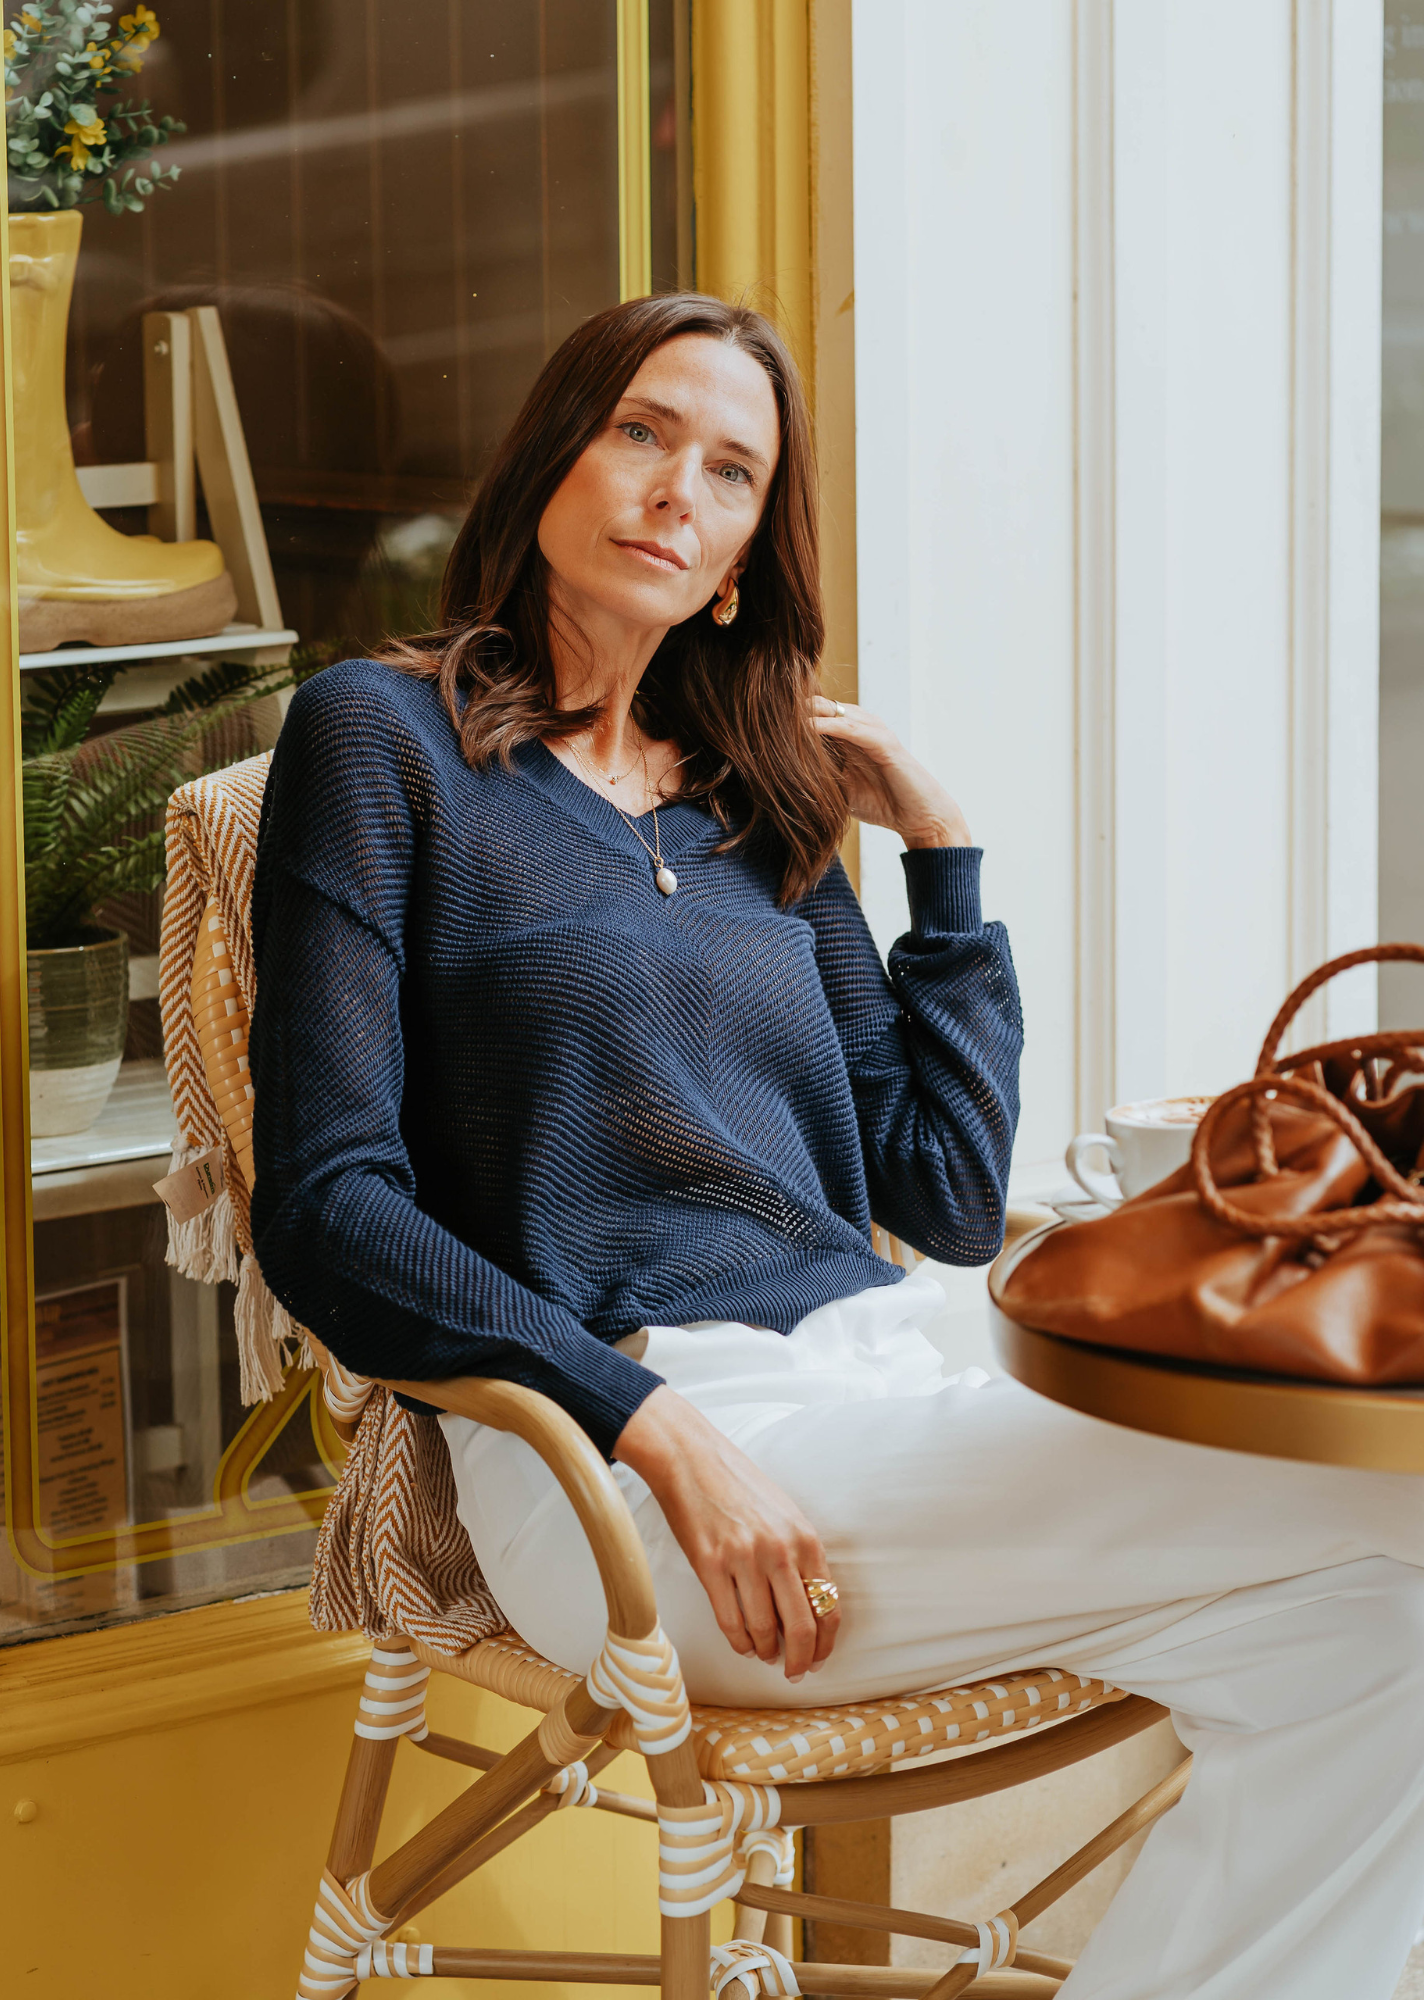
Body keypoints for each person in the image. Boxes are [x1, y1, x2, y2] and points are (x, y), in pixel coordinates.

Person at [251, 294, 1424, 2000]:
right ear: (551, 458)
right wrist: (657, 1428)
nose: (677, 489)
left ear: (742, 559)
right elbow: (327, 1206)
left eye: (731, 471)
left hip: (873, 1376)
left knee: (1381, 1627)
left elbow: (939, 1197)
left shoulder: (753, 803)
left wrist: (939, 852)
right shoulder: (385, 738)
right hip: (614, 1460)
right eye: (643, 432)